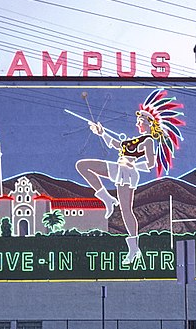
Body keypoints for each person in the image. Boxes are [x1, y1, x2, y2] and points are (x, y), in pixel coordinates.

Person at [76, 88, 185, 265]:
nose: (137, 124)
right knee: (83, 165)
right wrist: (101, 132)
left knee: (126, 210)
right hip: (119, 168)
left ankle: (134, 248)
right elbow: (115, 144)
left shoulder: (148, 141)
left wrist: (133, 164)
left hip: (128, 173)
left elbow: (150, 164)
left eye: (140, 121)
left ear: (148, 123)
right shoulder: (133, 140)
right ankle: (107, 199)